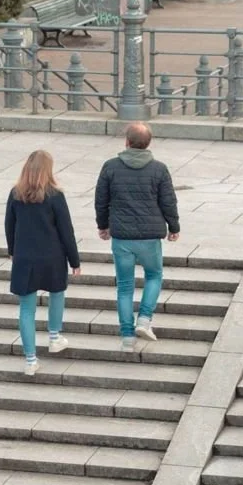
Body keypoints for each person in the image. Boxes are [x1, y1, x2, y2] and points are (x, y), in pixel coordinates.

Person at [94, 124, 180, 350]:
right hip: (150, 237)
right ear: (148, 143)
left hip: (122, 237)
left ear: (127, 142)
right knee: (154, 275)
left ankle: (127, 336)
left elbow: (101, 201)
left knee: (124, 286)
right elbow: (168, 201)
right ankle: (144, 319)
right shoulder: (159, 169)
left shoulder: (110, 167)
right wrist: (174, 227)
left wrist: (103, 226)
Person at [5, 150, 80, 376]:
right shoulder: (55, 195)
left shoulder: (15, 194)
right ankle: (54, 337)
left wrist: (12, 251)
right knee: (57, 294)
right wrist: (74, 260)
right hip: (52, 257)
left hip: (25, 259)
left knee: (26, 310)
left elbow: (9, 225)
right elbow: (66, 230)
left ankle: (30, 360)